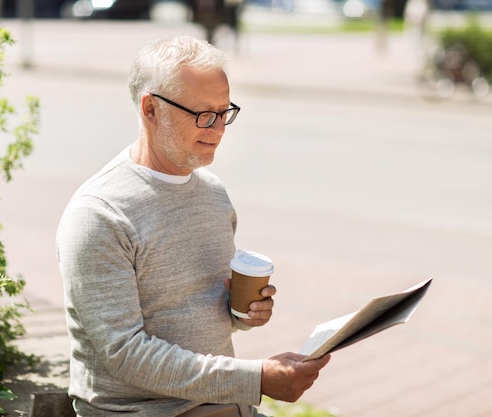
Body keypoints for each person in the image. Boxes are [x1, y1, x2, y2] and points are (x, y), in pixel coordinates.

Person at [56, 35, 330, 417]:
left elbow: (193, 313)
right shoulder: (100, 214)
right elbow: (125, 354)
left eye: (224, 112)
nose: (218, 129)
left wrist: (241, 313)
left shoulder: (213, 194)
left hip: (222, 404)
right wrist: (257, 378)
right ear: (150, 109)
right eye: (203, 114)